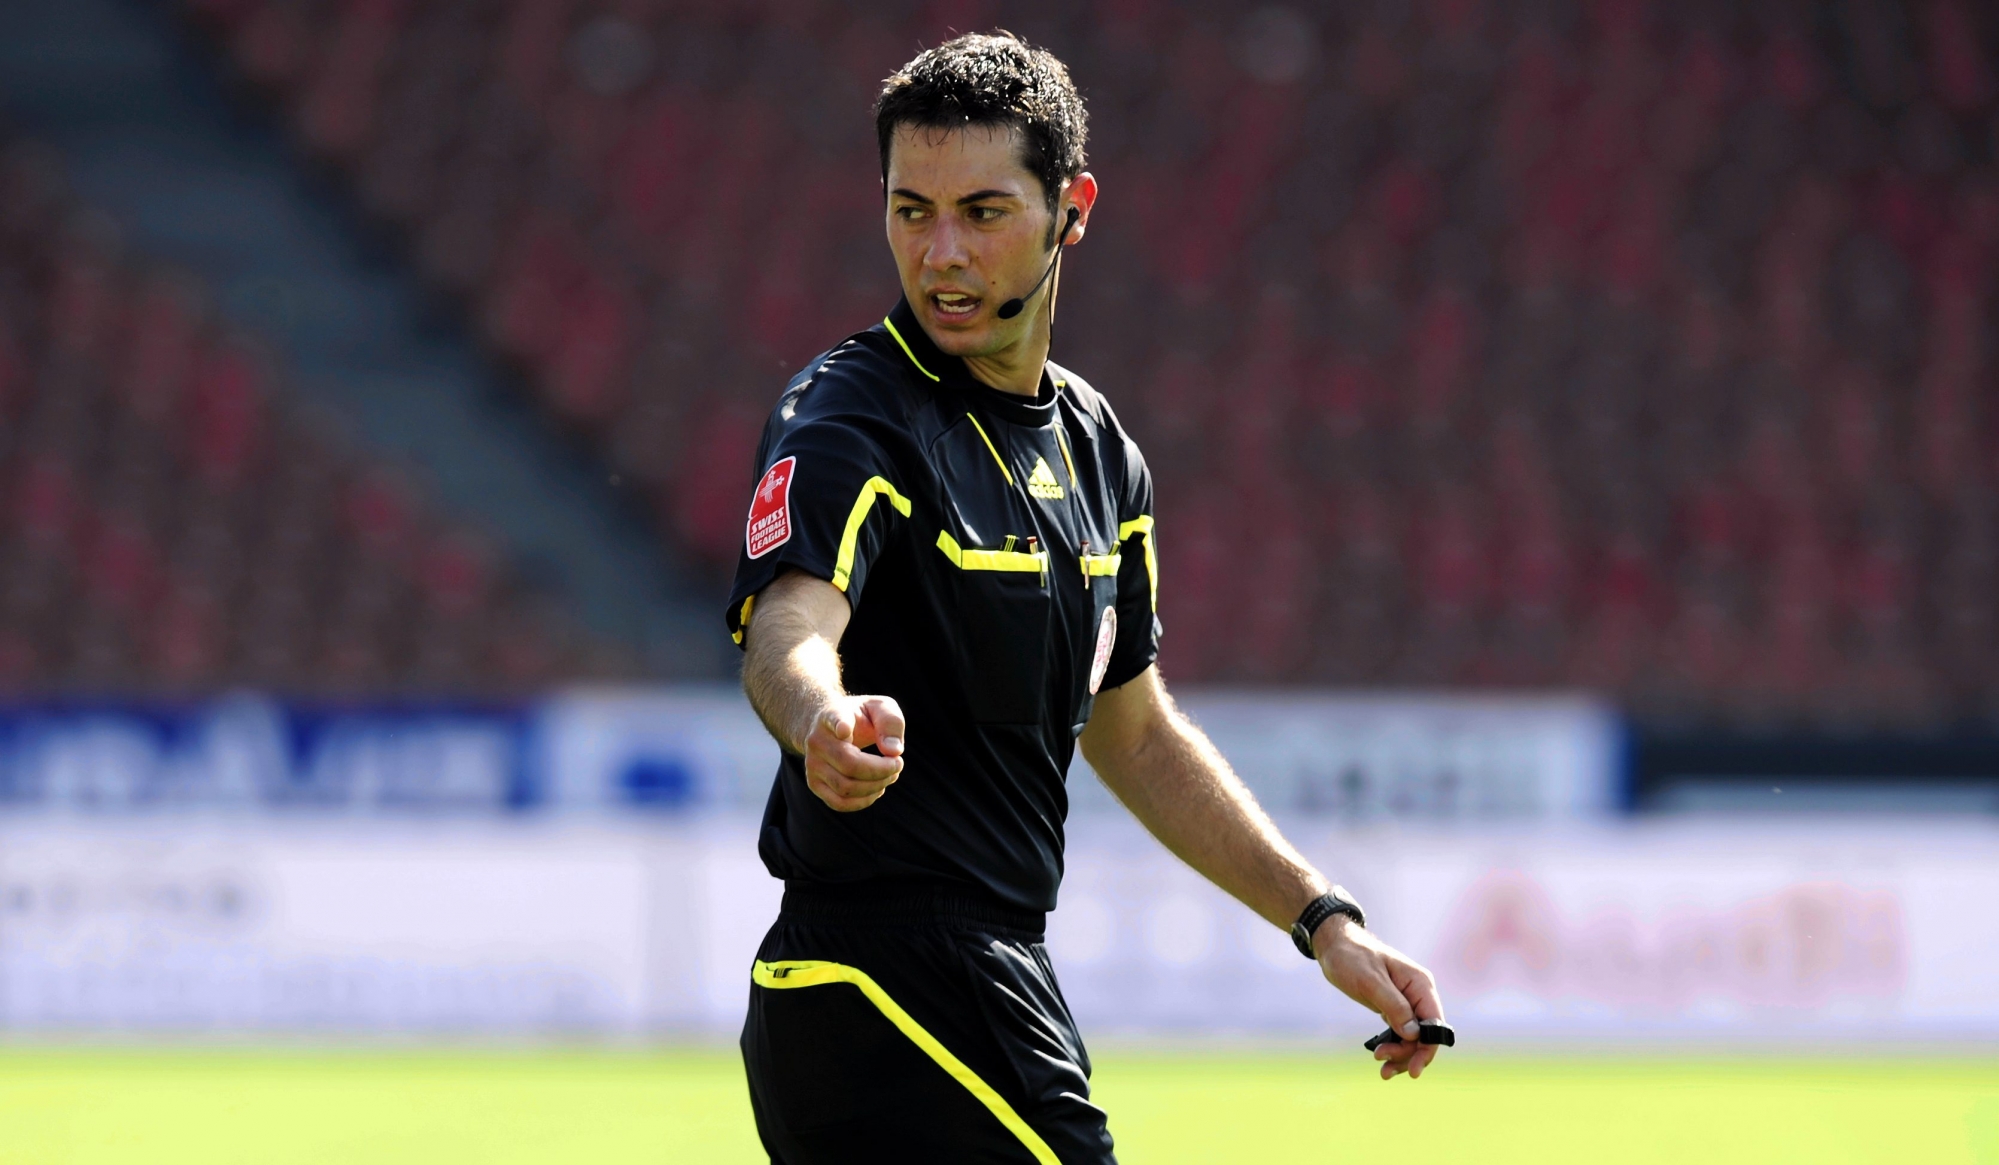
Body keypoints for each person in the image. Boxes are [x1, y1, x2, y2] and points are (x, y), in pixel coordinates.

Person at [726, 31, 1446, 1164]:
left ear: (1073, 207)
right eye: (910, 212)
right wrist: (821, 718)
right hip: (880, 977)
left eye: (983, 210)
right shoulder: (852, 413)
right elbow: (790, 623)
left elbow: (1137, 730)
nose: (942, 253)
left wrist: (1322, 920)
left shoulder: (1101, 453)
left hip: (993, 973)